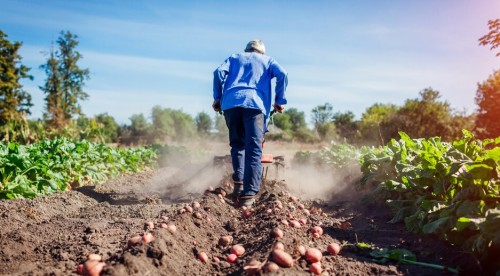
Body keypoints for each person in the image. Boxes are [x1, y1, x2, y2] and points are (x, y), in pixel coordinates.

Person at [212, 39, 288, 207]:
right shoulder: (268, 60)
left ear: (246, 50)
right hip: (255, 105)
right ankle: (248, 195)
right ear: (261, 52)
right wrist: (279, 100)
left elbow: (218, 73)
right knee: (254, 148)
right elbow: (282, 74)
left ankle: (239, 185)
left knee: (237, 145)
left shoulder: (234, 58)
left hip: (231, 103)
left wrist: (217, 98)